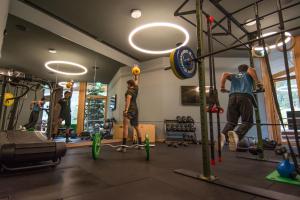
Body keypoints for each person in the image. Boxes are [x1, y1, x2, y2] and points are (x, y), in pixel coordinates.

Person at [220, 64, 264, 151]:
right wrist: (259, 83)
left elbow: (224, 74)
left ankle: (222, 137)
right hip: (244, 97)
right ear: (246, 69)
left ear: (239, 70)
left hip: (232, 97)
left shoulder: (234, 76)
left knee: (231, 122)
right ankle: (236, 135)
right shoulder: (248, 73)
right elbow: (251, 70)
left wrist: (222, 87)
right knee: (248, 122)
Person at [117, 72, 143, 152]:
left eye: (127, 84)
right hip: (136, 110)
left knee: (125, 127)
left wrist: (126, 110)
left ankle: (123, 147)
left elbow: (128, 100)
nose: (127, 86)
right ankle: (140, 145)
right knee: (136, 127)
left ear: (129, 84)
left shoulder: (129, 91)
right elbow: (136, 81)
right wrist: (136, 74)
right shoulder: (136, 88)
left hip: (130, 110)